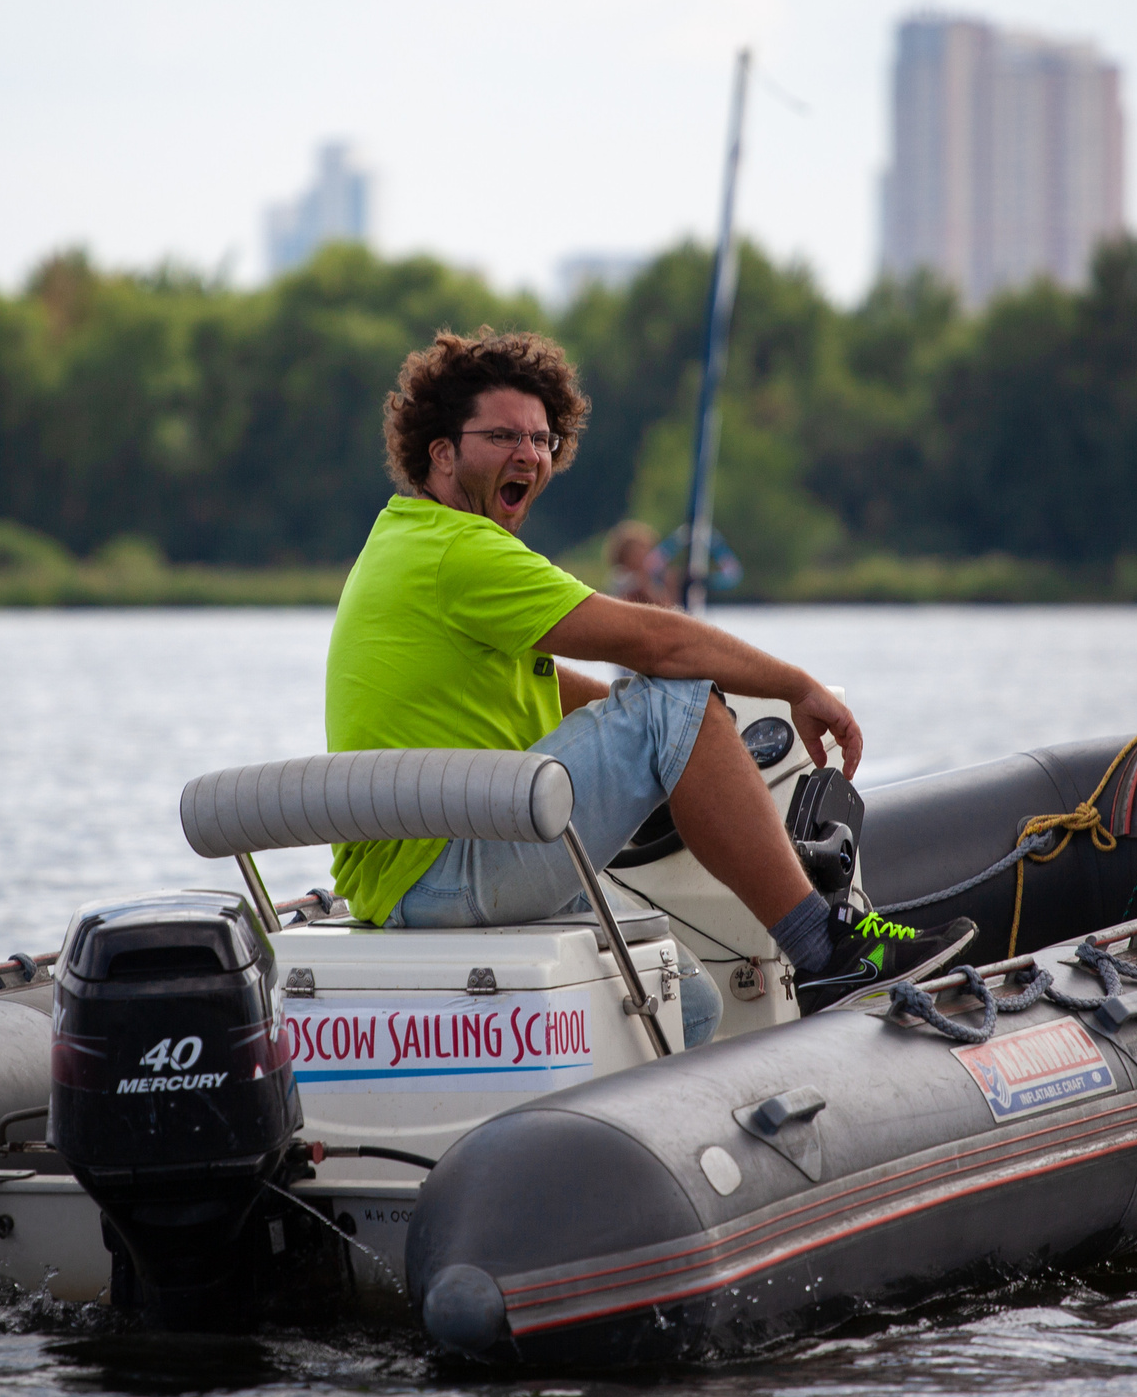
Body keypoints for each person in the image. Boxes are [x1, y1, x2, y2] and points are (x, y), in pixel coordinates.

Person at [325, 328, 967, 1029]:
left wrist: (683, 751)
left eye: (543, 440)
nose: (529, 456)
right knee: (676, 694)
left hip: (413, 881)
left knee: (685, 1004)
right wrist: (793, 685)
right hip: (447, 871)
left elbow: (546, 685)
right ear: (441, 451)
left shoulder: (402, 538)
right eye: (504, 435)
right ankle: (827, 949)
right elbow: (657, 642)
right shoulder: (460, 551)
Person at [604, 520, 675, 606]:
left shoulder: (652, 577)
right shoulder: (620, 578)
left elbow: (667, 605)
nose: (644, 556)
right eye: (637, 552)